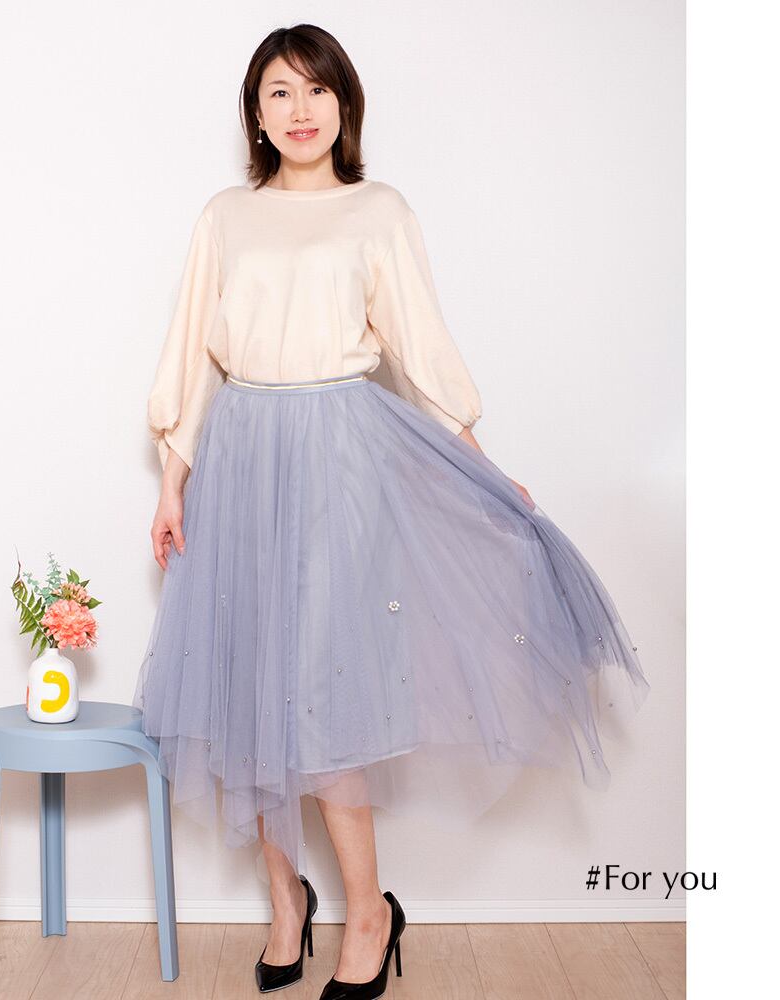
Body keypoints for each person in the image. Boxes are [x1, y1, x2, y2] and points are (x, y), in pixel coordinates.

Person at [132, 23, 650, 1000]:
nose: (299, 110)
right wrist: (172, 478)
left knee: (322, 694)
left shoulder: (379, 211)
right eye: (279, 92)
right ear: (255, 114)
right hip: (238, 457)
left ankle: (368, 911)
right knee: (248, 689)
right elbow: (191, 353)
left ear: (345, 104)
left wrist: (478, 461)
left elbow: (420, 342)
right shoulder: (225, 217)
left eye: (316, 90)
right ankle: (286, 903)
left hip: (340, 459)